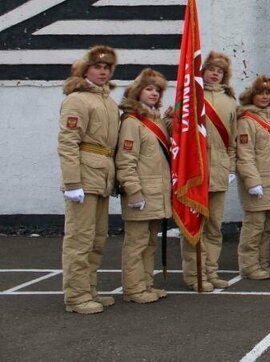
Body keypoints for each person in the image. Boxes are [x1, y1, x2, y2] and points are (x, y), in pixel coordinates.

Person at [58, 46, 120, 314]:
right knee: (79, 239)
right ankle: (76, 296)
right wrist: (72, 183)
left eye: (107, 68)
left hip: (102, 175)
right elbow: (68, 142)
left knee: (97, 239)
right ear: (85, 70)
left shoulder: (108, 102)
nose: (103, 72)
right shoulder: (77, 100)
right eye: (97, 67)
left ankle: (89, 289)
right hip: (84, 175)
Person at [116, 68, 171, 304]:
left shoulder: (156, 120)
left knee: (150, 243)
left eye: (157, 90)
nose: (154, 93)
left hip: (157, 193)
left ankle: (146, 283)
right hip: (142, 192)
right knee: (136, 244)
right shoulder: (132, 122)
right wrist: (133, 192)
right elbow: (125, 161)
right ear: (137, 91)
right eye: (149, 89)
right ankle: (133, 289)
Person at [183, 51, 236, 291]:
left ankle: (211, 272)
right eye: (211, 69)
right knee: (195, 227)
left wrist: (231, 167)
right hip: (196, 172)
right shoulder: (192, 96)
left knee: (214, 227)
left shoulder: (230, 102)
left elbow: (233, 141)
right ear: (203, 71)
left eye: (220, 71)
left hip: (219, 171)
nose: (215, 74)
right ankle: (196, 275)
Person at [235, 75, 270, 280]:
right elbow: (244, 154)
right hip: (257, 180)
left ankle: (262, 263)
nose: (264, 97)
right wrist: (252, 182)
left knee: (267, 226)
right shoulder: (246, 120)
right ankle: (249, 265)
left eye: (267, 93)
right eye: (259, 93)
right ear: (251, 95)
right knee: (254, 226)